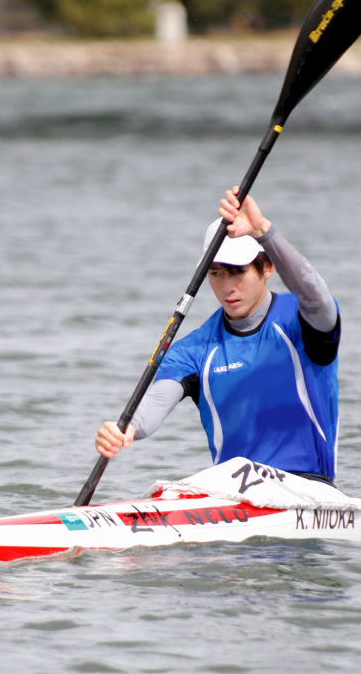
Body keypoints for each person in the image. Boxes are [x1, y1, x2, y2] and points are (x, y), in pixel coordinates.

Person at [95, 187, 340, 483]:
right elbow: (157, 401)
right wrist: (125, 428)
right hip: (232, 495)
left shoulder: (302, 320)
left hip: (308, 489)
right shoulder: (195, 349)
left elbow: (319, 298)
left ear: (267, 268)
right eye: (216, 273)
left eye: (237, 271)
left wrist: (263, 230)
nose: (227, 286)